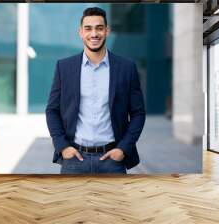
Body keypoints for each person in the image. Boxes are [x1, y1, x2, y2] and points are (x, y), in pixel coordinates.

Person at [46, 7, 146, 174]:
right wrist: (62, 146)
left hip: (112, 161)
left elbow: (138, 113)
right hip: (74, 160)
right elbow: (52, 110)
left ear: (107, 31)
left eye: (99, 28)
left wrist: (123, 149)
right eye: (88, 28)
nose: (94, 34)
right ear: (80, 32)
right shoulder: (64, 67)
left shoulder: (126, 68)